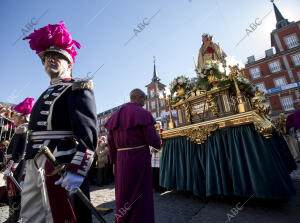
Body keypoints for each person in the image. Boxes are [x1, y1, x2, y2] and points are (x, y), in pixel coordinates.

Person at [21, 21, 98, 223]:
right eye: (46, 57)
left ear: (69, 63)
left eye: (57, 56)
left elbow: (87, 133)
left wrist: (78, 169)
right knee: (31, 215)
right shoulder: (44, 93)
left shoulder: (78, 87)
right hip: (34, 161)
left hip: (60, 160)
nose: (50, 59)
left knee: (61, 215)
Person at [105, 88, 161, 223]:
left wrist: (113, 162)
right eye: (143, 99)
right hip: (139, 159)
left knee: (123, 193)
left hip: (121, 161)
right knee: (141, 194)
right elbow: (153, 141)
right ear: (137, 97)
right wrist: (159, 140)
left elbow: (110, 143)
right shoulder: (143, 114)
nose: (144, 103)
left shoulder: (115, 116)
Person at [3, 97, 34, 223]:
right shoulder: (22, 128)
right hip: (16, 165)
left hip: (17, 166)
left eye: (15, 116)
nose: (13, 118)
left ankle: (14, 218)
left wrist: (11, 167)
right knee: (14, 193)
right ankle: (14, 217)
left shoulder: (22, 129)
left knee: (14, 193)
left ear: (22, 117)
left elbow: (20, 153)